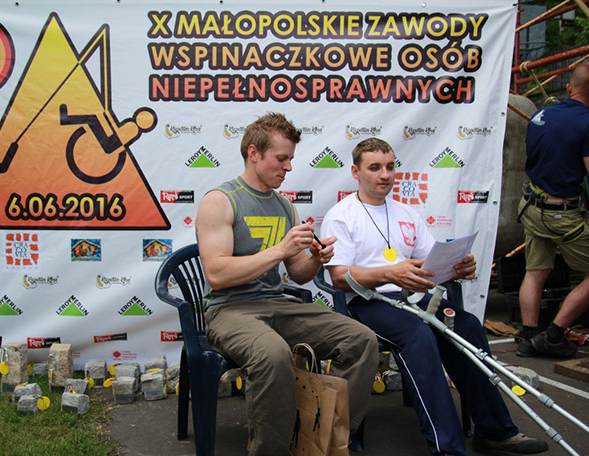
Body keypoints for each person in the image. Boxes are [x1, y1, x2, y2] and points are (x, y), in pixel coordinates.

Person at [321, 138, 548, 456]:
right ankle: (447, 447)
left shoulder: (406, 212)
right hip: (366, 302)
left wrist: (456, 268)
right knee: (418, 335)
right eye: (374, 168)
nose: (385, 174)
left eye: (390, 166)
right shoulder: (341, 215)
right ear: (356, 172)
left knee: (467, 325)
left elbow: (430, 263)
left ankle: (495, 431)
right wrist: (390, 274)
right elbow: (339, 277)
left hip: (410, 297)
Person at [195, 112, 378, 455]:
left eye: (290, 158)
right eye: (281, 158)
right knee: (272, 353)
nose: (288, 167)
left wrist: (315, 259)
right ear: (253, 153)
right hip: (229, 309)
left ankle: (325, 441)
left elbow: (298, 274)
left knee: (361, 340)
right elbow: (217, 274)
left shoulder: (285, 207)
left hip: (276, 305)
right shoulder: (220, 200)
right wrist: (279, 249)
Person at [516, 62, 589, 359]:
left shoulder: (541, 115)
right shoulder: (586, 123)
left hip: (532, 207)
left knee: (536, 271)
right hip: (562, 214)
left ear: (570, 88)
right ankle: (554, 335)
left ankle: (528, 337)